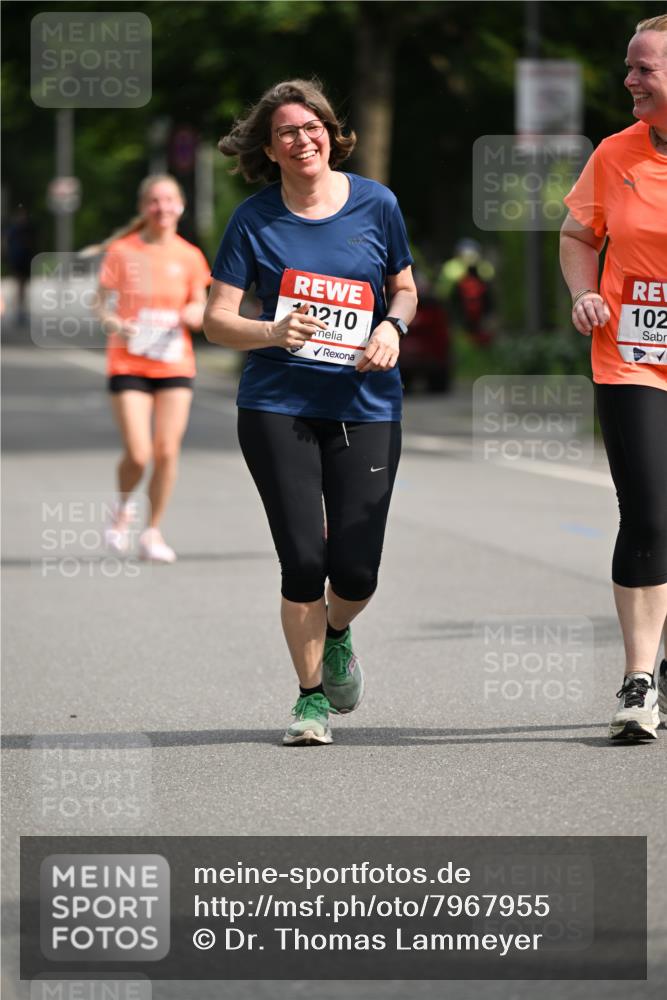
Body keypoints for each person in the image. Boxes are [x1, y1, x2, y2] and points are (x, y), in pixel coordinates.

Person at [203, 79, 417, 746]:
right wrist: (271, 331)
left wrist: (391, 328)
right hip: (276, 403)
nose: (303, 139)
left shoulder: (376, 205)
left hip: (365, 404)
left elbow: (404, 288)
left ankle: (338, 632)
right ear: (268, 148)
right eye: (287, 132)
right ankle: (309, 700)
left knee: (355, 571)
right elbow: (215, 320)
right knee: (302, 562)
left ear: (331, 131)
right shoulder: (253, 219)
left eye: (312, 126)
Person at [560, 15, 667, 741]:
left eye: (643, 69)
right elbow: (575, 236)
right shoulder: (614, 152)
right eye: (628, 67)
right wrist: (582, 293)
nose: (628, 80)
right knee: (650, 512)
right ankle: (638, 679)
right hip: (628, 354)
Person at [96, 174, 211, 562]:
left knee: (166, 451)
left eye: (169, 201)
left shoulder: (190, 256)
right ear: (143, 207)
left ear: (180, 206)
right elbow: (100, 303)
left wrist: (193, 314)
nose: (162, 208)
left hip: (174, 361)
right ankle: (123, 509)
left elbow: (199, 302)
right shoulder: (122, 251)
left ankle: (152, 531)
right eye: (154, 202)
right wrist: (116, 323)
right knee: (139, 452)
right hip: (128, 359)